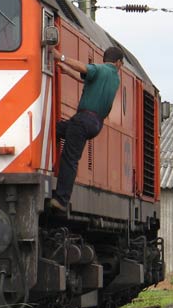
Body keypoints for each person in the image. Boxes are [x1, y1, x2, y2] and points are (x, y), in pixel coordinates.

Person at [51, 46, 125, 212]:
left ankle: (61, 199)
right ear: (119, 62)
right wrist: (67, 71)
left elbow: (85, 68)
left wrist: (60, 57)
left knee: (70, 158)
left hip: (83, 120)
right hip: (94, 123)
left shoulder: (103, 69)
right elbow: (84, 79)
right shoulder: (114, 78)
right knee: (54, 130)